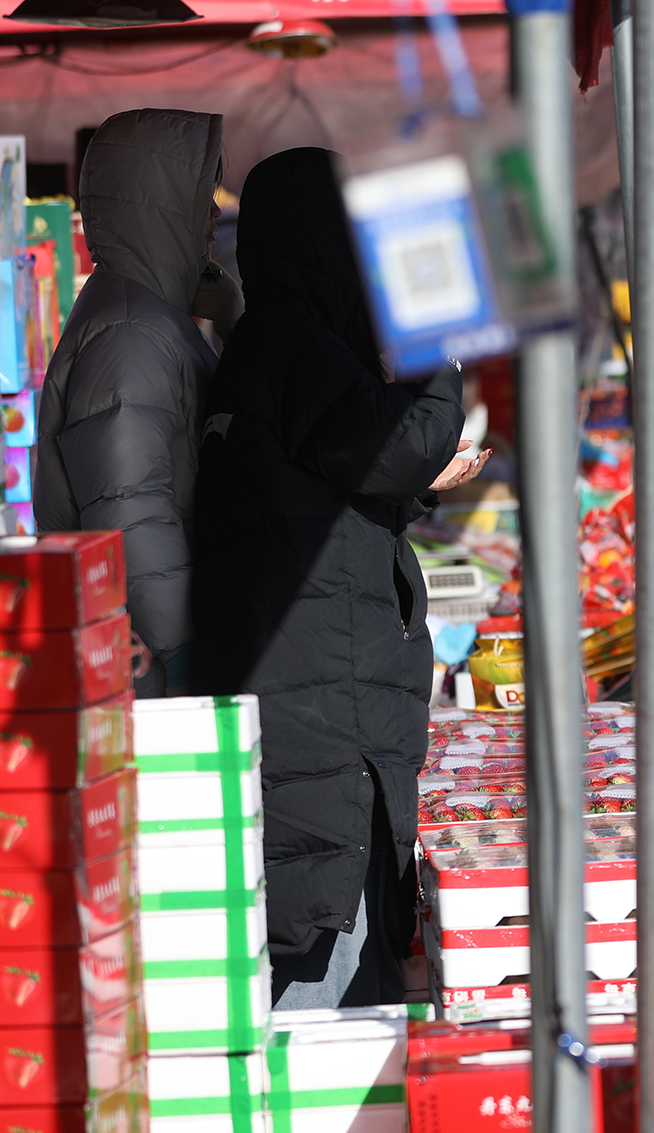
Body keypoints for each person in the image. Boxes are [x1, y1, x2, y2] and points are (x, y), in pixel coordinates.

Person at [190, 148, 488, 1008]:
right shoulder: (289, 345)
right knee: (333, 1000)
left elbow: (332, 487)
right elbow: (399, 442)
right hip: (324, 739)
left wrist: (412, 481)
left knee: (342, 971)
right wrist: (439, 345)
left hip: (324, 720)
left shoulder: (281, 344)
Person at [35, 109, 243, 696]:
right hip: (153, 666)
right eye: (201, 195)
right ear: (156, 204)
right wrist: (187, 654)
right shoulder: (130, 329)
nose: (214, 214)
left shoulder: (149, 315)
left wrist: (231, 321)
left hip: (149, 647)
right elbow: (131, 511)